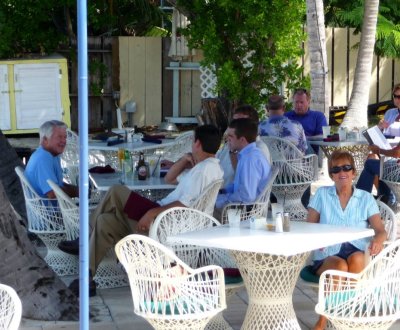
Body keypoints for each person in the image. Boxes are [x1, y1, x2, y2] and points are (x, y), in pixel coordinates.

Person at [65, 125, 224, 296]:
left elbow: (184, 204)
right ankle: (87, 279)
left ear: (198, 144)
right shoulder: (207, 167)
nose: (191, 146)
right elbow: (170, 179)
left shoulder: (203, 170)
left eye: (193, 142)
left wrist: (151, 213)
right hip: (165, 217)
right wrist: (185, 160)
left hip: (164, 220)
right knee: (104, 221)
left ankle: (83, 238)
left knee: (116, 190)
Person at [307, 150, 386, 330]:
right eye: (336, 169)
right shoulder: (322, 194)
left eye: (346, 168)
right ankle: (325, 320)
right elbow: (309, 226)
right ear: (331, 175)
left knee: (358, 259)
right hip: (328, 253)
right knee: (340, 267)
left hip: (356, 249)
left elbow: (380, 230)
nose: (341, 173)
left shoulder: (365, 198)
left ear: (353, 172)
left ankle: (346, 315)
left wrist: (379, 240)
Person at [215, 118, 271, 210]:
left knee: (203, 209)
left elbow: (247, 197)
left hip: (247, 212)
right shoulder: (247, 154)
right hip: (242, 207)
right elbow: (238, 185)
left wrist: (220, 200)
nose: (227, 139)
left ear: (242, 140)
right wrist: (222, 191)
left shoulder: (250, 159)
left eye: (230, 136)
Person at [216, 105, 271, 188]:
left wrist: (233, 153)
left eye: (240, 123)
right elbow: (215, 161)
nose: (235, 126)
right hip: (219, 191)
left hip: (236, 197)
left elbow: (246, 182)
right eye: (234, 122)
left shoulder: (258, 149)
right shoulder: (230, 144)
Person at [25, 120, 78, 199]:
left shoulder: (52, 154)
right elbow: (53, 193)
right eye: (59, 137)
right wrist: (79, 192)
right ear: (45, 140)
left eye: (65, 137)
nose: (64, 141)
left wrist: (78, 190)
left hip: (54, 208)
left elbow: (58, 184)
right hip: (48, 210)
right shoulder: (43, 158)